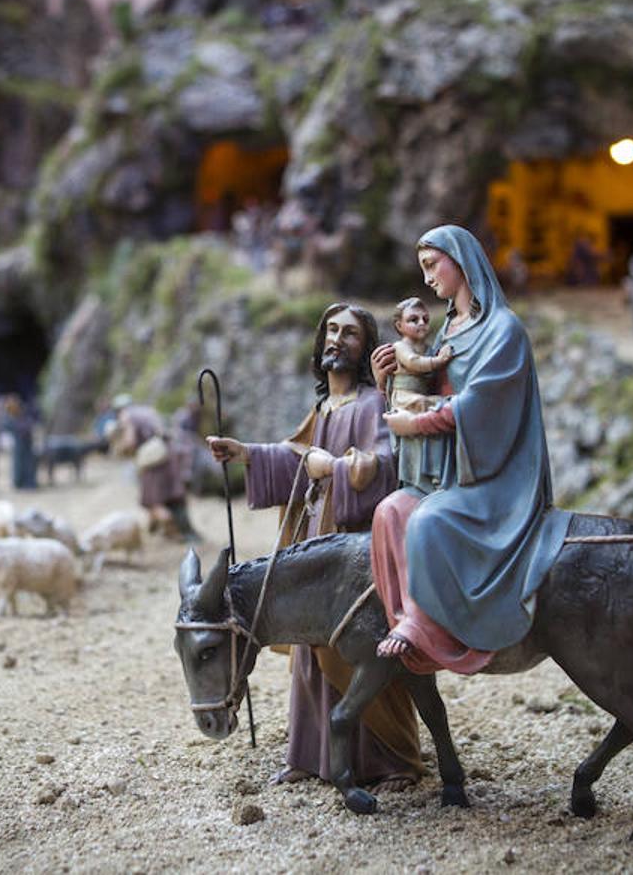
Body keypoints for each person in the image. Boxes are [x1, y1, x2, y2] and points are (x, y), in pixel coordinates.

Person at [206, 303, 421, 793]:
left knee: (358, 648)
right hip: (314, 539)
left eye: (349, 333)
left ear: (364, 347)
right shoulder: (324, 408)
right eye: (331, 329)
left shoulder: (371, 404)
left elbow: (386, 465)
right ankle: (309, 753)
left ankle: (391, 760)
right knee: (308, 649)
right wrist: (246, 454)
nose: (336, 339)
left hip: (352, 551)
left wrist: (342, 468)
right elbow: (295, 455)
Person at [370, 225, 573, 675]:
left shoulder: (503, 330)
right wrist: (387, 384)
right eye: (422, 269)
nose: (427, 280)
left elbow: (481, 407)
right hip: (449, 472)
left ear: (461, 261)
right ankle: (414, 621)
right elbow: (425, 388)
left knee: (428, 520)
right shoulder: (448, 332)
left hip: (496, 478)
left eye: (431, 265)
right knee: (389, 512)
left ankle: (427, 625)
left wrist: (420, 419)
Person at [112, 394, 199, 540]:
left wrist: (120, 448)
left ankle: (173, 530)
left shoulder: (126, 416)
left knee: (151, 501)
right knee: (171, 495)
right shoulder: (148, 411)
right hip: (168, 453)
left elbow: (130, 441)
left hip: (152, 459)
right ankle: (174, 530)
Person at [387, 297, 453, 414]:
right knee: (422, 402)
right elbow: (413, 362)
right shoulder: (400, 346)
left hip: (423, 393)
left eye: (425, 319)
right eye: (414, 320)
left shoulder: (428, 349)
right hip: (404, 396)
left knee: (441, 402)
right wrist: (439, 360)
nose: (422, 323)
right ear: (399, 326)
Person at [4, 395, 38, 490]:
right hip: (18, 445)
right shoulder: (10, 417)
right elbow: (8, 427)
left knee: (28, 465)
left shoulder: (25, 414)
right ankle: (18, 483)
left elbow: (30, 425)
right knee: (18, 465)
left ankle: (29, 483)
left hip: (27, 444)